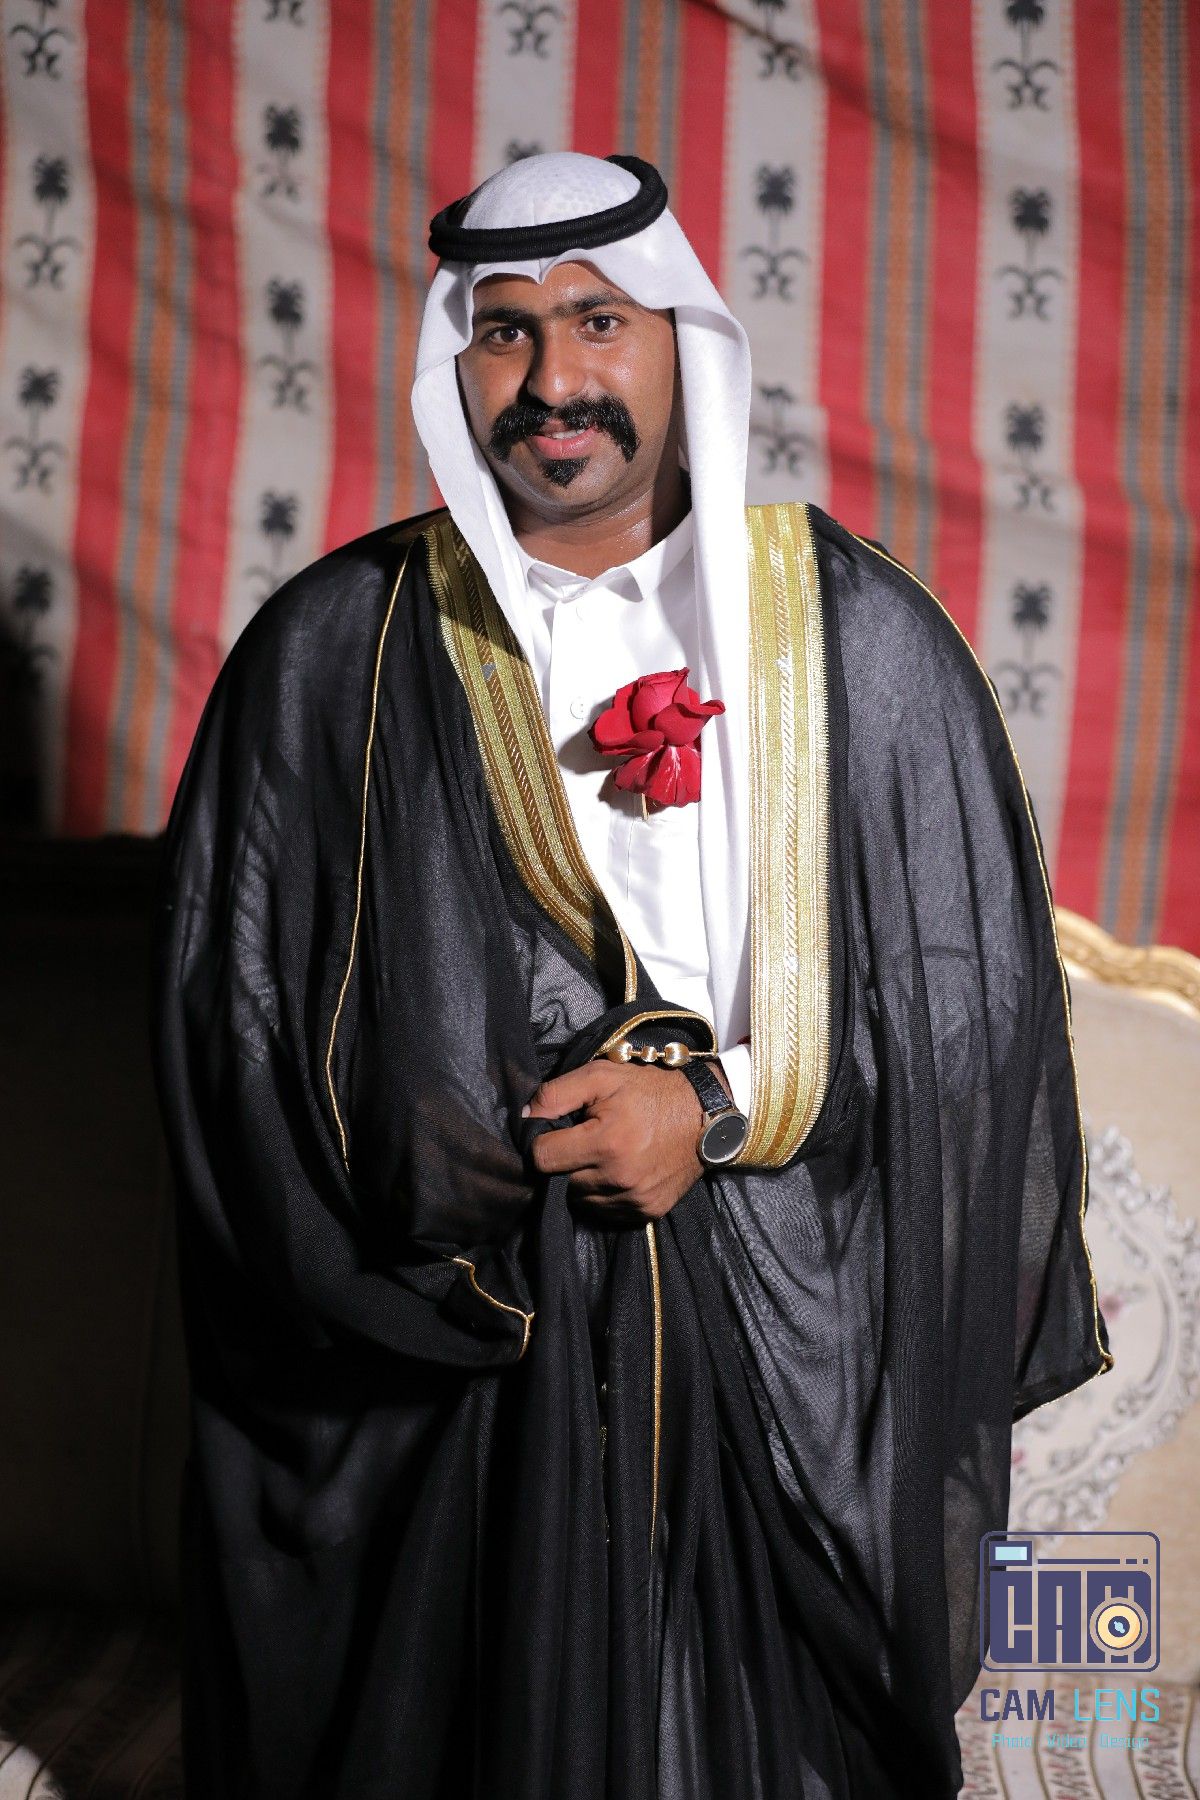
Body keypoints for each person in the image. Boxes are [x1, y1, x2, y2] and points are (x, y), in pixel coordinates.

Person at [150, 151, 1112, 1799]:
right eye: (506, 332)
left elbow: (973, 1030)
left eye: (600, 320)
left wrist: (712, 1114)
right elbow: (230, 1038)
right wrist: (472, 1159)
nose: (555, 379)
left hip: (779, 1350)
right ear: (458, 363)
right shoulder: (330, 654)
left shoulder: (859, 638)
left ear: (683, 339)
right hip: (462, 1378)